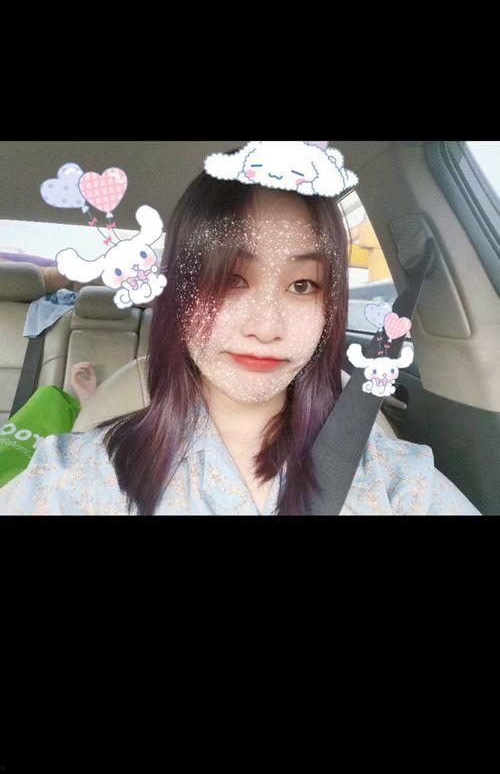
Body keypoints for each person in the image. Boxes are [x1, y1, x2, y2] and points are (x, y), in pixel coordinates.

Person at [0, 153, 480, 516]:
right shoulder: (73, 477)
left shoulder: (397, 481)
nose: (266, 328)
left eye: (302, 285)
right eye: (230, 280)